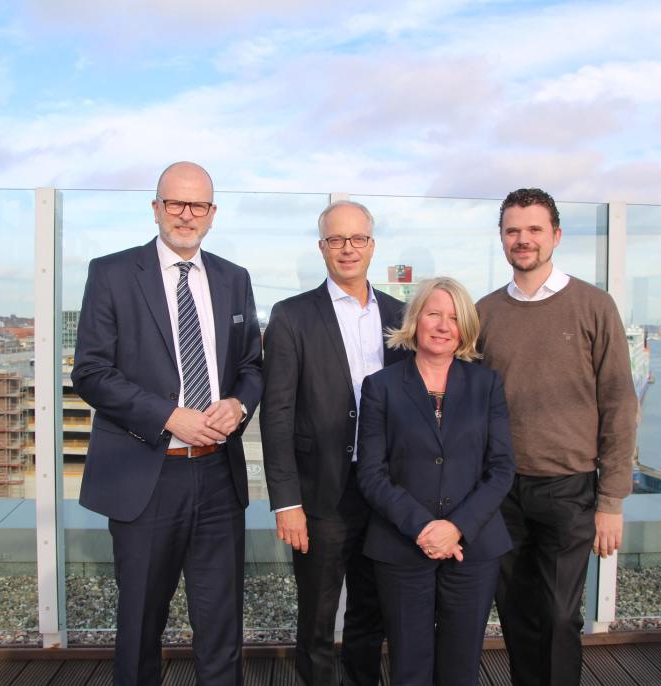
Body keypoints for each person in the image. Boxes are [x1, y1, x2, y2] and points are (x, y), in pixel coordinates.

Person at [72, 161, 263, 686]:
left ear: (212, 214)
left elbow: (252, 367)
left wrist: (238, 405)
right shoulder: (111, 273)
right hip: (146, 474)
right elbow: (90, 371)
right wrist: (168, 415)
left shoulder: (233, 278)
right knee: (139, 626)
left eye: (197, 204)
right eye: (174, 203)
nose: (185, 214)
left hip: (218, 477)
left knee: (222, 626)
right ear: (155, 208)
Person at [476, 188, 637, 686]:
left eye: (534, 230)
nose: (522, 240)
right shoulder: (484, 312)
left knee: (560, 615)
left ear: (556, 236)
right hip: (502, 489)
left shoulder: (593, 305)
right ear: (502, 239)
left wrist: (611, 501)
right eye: (512, 231)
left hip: (569, 489)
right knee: (517, 615)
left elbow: (618, 402)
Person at [260, 200, 406, 685]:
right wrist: (287, 502)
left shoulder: (400, 315)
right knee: (318, 619)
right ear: (322, 247)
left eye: (358, 239)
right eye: (337, 240)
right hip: (321, 495)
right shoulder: (292, 316)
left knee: (372, 611)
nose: (348, 249)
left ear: (372, 245)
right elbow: (276, 414)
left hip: (385, 491)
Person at [356, 277, 516, 686]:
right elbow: (372, 473)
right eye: (434, 314)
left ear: (465, 328)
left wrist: (455, 528)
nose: (443, 325)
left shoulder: (486, 385)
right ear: (415, 320)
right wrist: (424, 528)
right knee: (409, 668)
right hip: (402, 547)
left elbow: (500, 469)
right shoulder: (380, 387)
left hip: (473, 550)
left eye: (454, 317)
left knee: (462, 669)